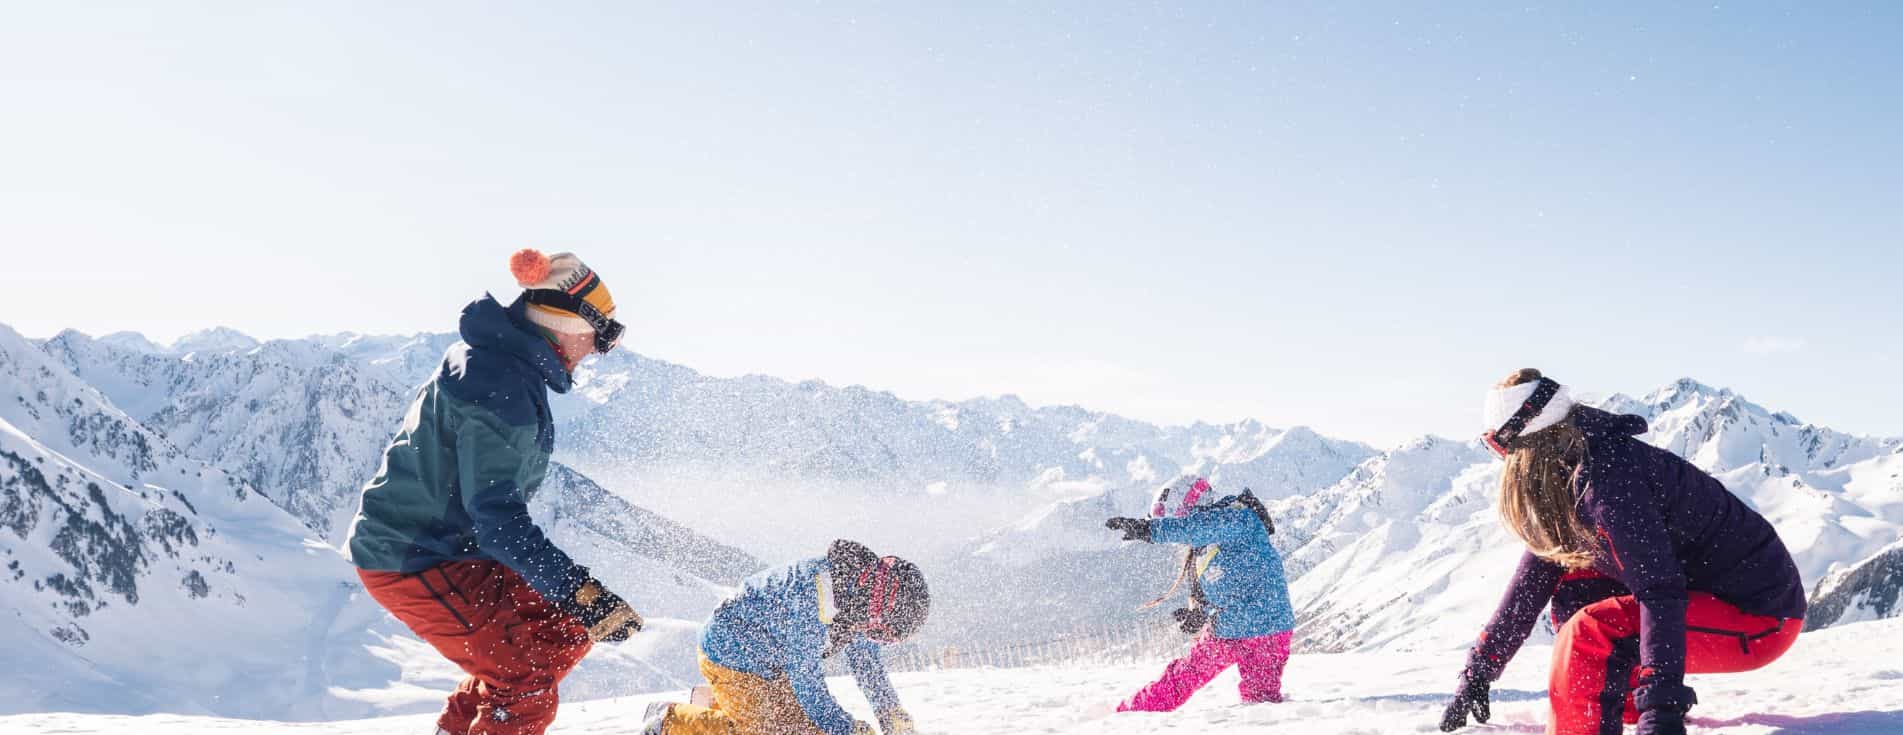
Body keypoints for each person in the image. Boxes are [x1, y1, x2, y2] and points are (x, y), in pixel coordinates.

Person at [344, 249, 644, 735]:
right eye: (602, 333)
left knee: (563, 632)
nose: (598, 348)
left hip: (455, 548)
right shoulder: (500, 382)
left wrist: (580, 602)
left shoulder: (505, 366)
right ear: (566, 320)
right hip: (414, 555)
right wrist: (579, 589)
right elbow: (499, 519)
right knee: (523, 682)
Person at [1440, 369, 1807, 735]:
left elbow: (1660, 590)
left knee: (1591, 634)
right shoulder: (1572, 471)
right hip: (1713, 596)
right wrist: (1479, 672)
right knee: (1575, 595)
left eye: (1499, 448)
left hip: (1761, 616)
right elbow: (1530, 584)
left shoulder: (1608, 480)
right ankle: (1618, 703)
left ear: (1525, 445)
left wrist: (1661, 706)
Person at [644, 540, 931, 735]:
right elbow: (808, 684)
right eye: (882, 632)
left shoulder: (859, 595)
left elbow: (865, 661)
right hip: (730, 656)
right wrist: (848, 728)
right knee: (766, 731)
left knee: (804, 728)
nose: (877, 637)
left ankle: (711, 703)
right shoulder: (816, 596)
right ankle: (668, 720)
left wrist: (889, 711)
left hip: (770, 659)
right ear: (881, 605)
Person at [1103, 475, 1295, 712]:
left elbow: (1193, 528)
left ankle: (1129, 716)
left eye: (1180, 519)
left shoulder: (1237, 518)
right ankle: (1130, 714)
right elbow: (1228, 585)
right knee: (1191, 681)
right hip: (1249, 628)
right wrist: (1201, 613)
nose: (1179, 540)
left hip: (1254, 631)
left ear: (1196, 508)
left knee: (1254, 698)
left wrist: (1149, 529)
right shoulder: (1208, 543)